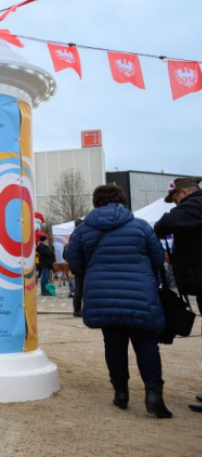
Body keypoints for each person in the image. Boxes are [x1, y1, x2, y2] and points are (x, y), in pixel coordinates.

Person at [65, 183, 171, 419]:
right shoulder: (141, 226)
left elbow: (74, 263)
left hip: (102, 295)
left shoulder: (83, 230)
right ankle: (154, 395)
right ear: (123, 200)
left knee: (113, 344)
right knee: (146, 345)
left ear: (95, 202)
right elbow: (158, 258)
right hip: (140, 294)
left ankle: (120, 394)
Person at [154, 176, 202, 413]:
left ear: (182, 193)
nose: (174, 206)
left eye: (174, 200)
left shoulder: (195, 204)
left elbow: (167, 224)